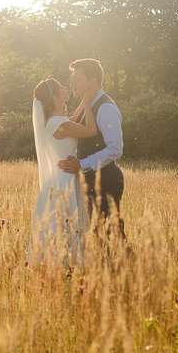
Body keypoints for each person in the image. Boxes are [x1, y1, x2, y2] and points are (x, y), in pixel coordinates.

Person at [29, 76, 99, 266]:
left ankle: (68, 262)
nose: (65, 87)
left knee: (67, 222)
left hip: (65, 175)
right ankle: (65, 263)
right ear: (54, 97)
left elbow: (74, 119)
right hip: (64, 178)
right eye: (60, 86)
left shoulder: (57, 120)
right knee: (66, 221)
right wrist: (87, 102)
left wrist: (85, 100)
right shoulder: (55, 122)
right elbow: (90, 130)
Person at [57, 58, 126, 247]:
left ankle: (127, 272)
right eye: (72, 79)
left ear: (93, 82)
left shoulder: (106, 108)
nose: (72, 83)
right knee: (98, 238)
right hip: (90, 180)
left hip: (106, 180)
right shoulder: (87, 104)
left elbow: (114, 149)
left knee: (112, 238)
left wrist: (82, 164)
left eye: (77, 79)